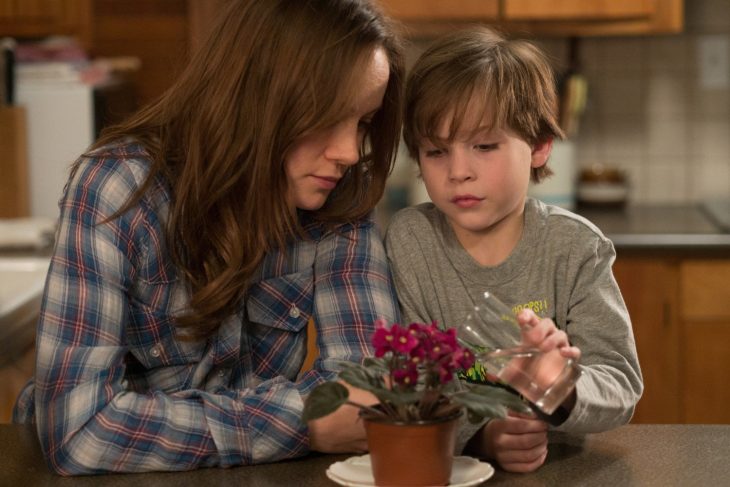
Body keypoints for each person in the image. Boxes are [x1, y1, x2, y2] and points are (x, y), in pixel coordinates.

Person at [13, 0, 404, 475]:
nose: (348, 152)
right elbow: (79, 429)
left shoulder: (339, 203)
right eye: (327, 116)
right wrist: (303, 420)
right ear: (256, 98)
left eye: (362, 122)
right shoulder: (119, 189)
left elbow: (365, 394)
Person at [384, 27, 643, 473]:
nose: (458, 172)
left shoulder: (575, 247)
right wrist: (482, 436)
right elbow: (405, 384)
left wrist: (559, 387)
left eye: (484, 146)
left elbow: (620, 384)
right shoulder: (411, 242)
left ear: (540, 146)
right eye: (436, 151)